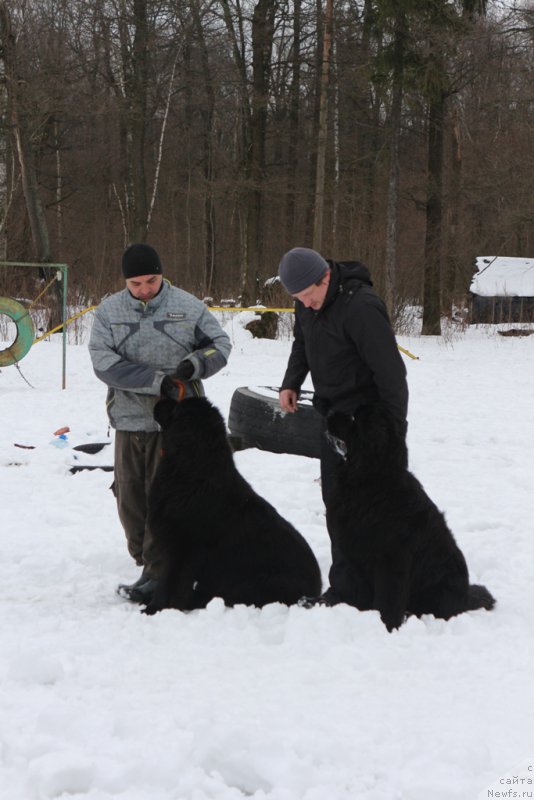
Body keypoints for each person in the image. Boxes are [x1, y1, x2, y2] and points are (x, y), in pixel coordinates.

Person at [89, 243, 232, 603]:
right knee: (130, 499)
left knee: (166, 499)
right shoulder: (109, 311)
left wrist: (194, 365)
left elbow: (220, 345)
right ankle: (147, 560)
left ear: (161, 274)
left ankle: (162, 569)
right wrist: (156, 381)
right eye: (135, 283)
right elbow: (103, 362)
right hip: (128, 419)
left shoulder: (188, 306)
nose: (144, 290)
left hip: (179, 422)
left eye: (151, 281)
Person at [277, 246, 408, 607]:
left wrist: (395, 432)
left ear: (326, 278)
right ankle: (347, 588)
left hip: (370, 423)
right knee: (336, 504)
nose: (306, 303)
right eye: (298, 299)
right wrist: (291, 382)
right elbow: (301, 343)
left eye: (309, 295)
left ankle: (388, 583)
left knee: (376, 508)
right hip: (332, 418)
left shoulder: (361, 307)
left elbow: (392, 374)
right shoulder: (306, 303)